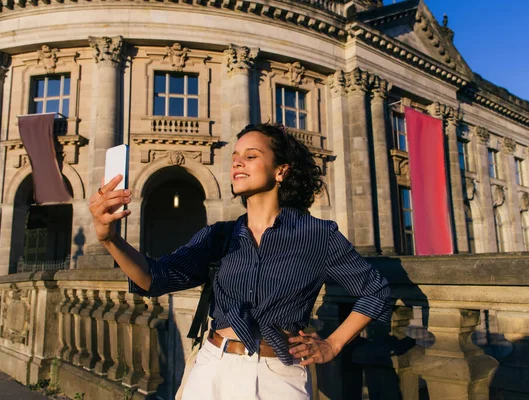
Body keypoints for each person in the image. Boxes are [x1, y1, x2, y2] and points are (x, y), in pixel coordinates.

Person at [88, 122, 391, 400]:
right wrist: (109, 238)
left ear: (281, 171)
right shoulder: (219, 235)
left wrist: (333, 344)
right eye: (235, 156)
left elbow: (375, 290)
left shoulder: (318, 235)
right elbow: (153, 279)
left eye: (251, 156)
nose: (236, 162)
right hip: (212, 368)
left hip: (278, 376)